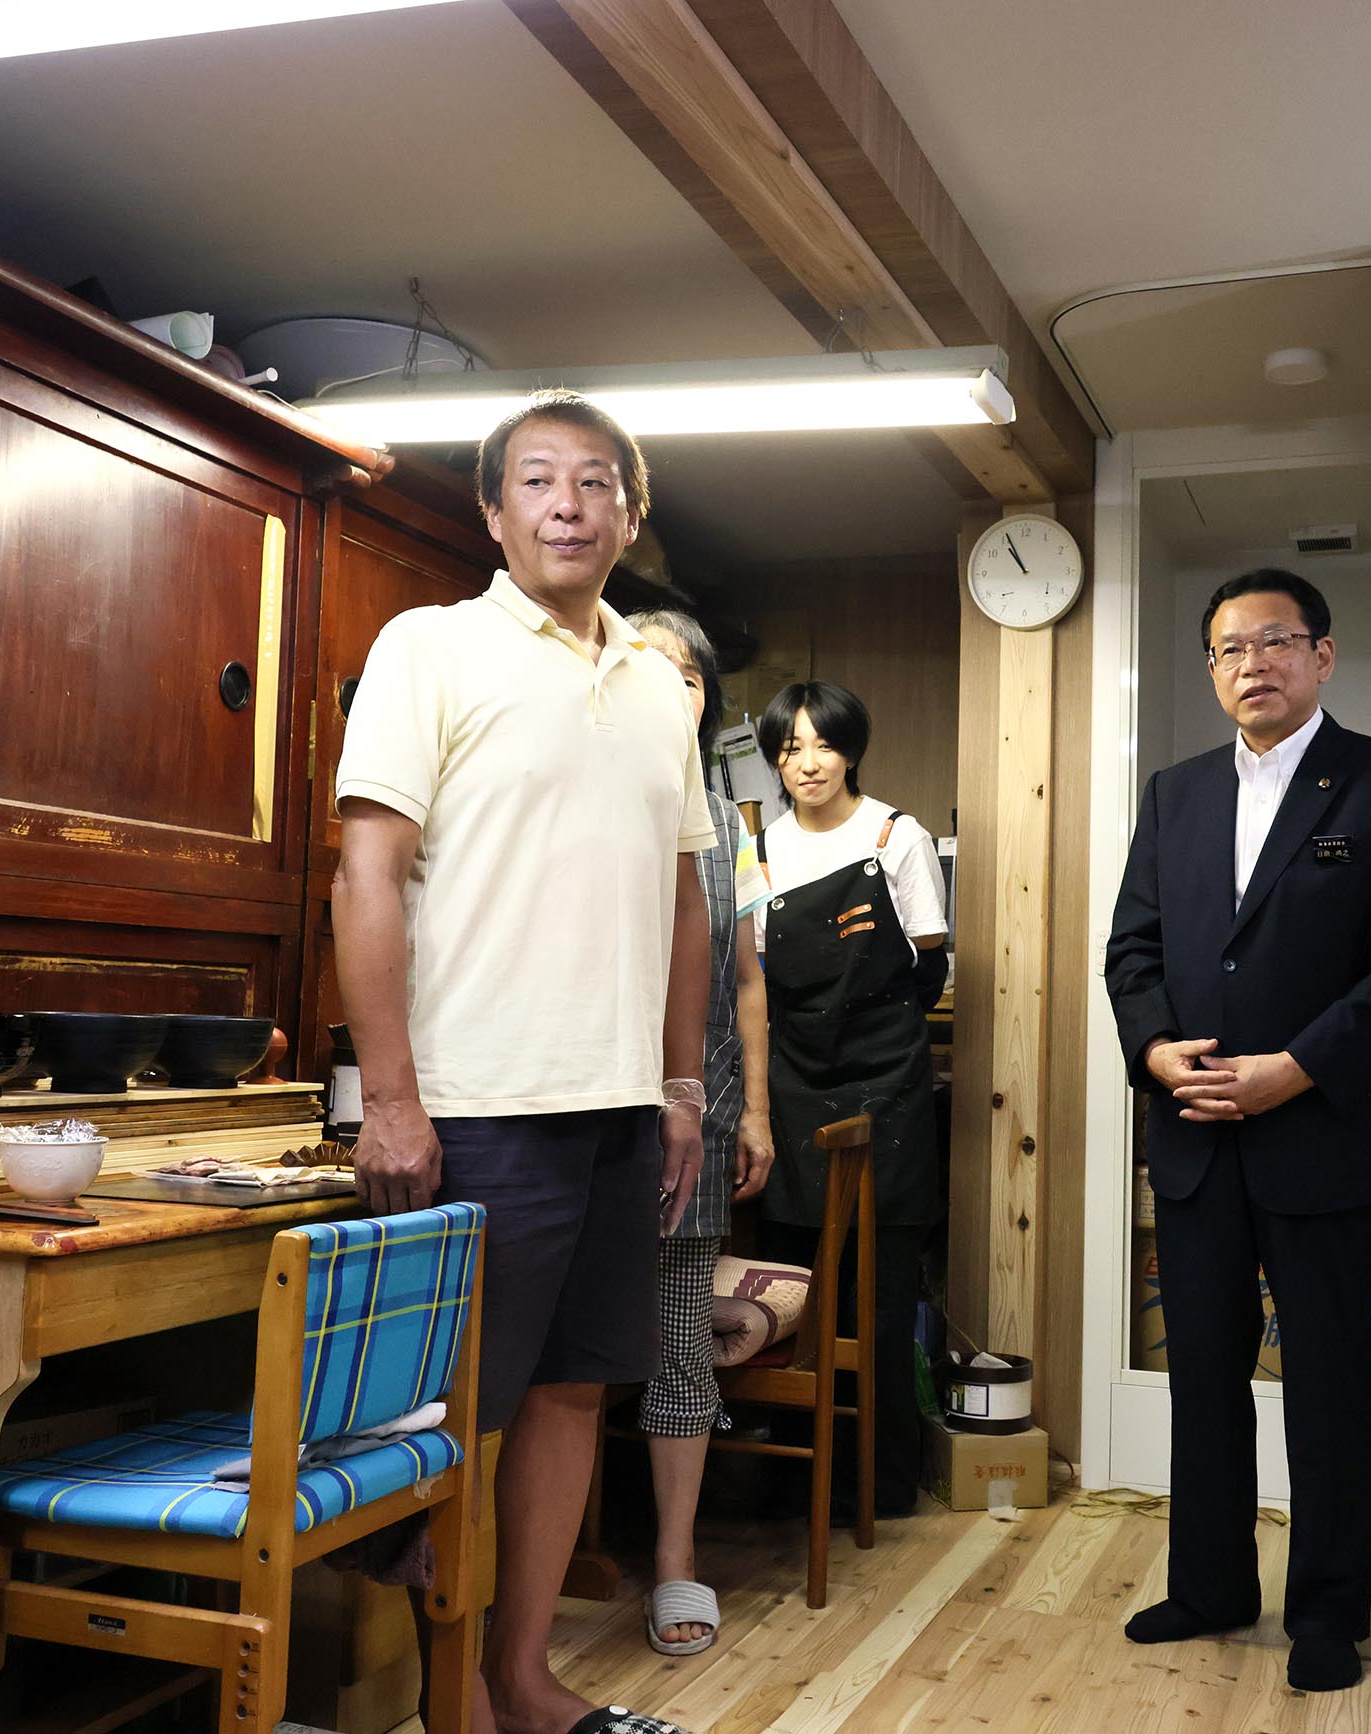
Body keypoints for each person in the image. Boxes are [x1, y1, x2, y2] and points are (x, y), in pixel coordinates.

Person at [331, 389, 709, 1734]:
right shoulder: (427, 646)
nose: (567, 502)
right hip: (481, 1104)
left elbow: (684, 902)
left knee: (568, 1394)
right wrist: (391, 1096)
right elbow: (367, 869)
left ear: (629, 514)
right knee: (454, 1418)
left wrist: (680, 1086)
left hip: (617, 1107)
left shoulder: (660, 683)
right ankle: (446, 1701)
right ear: (492, 512)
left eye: (595, 481)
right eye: (537, 480)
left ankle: (525, 1675)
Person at [1103, 569, 1371, 1694]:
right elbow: (1133, 952)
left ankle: (1327, 1615)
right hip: (1196, 1135)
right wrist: (1156, 1051)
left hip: (1322, 1135)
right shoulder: (1173, 794)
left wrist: (1293, 1070)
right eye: (1226, 649)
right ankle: (1208, 1585)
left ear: (1322, 656)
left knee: (1323, 1383)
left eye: (1273, 642)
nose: (1250, 664)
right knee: (1200, 1374)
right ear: (1209, 672)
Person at [752, 679, 946, 1519]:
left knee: (885, 1281)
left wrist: (875, 1035)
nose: (806, 762)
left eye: (821, 744)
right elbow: (751, 980)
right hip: (792, 1075)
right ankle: (801, 1480)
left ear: (852, 749)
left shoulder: (896, 836)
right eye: (788, 748)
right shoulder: (759, 846)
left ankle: (884, 1482)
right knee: (802, 1273)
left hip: (888, 1078)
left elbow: (928, 964)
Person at [623, 608, 775, 1658]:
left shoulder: (736, 823)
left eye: (683, 675)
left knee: (681, 1342)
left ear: (706, 699)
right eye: (638, 668)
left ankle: (675, 1561)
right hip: (583, 1115)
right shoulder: (579, 799)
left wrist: (755, 1106)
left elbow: (747, 980)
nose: (663, 688)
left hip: (701, 1111)